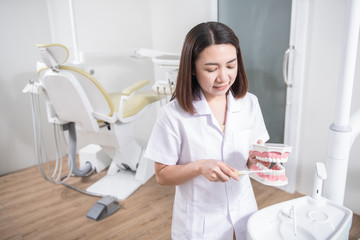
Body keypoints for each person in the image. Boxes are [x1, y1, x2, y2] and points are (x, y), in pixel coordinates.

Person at [144, 22, 269, 240]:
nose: (223, 77)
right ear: (192, 68)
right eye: (211, 69)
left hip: (244, 210)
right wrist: (200, 167)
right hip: (200, 222)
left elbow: (253, 157)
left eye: (230, 66)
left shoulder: (249, 103)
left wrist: (256, 160)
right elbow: (162, 175)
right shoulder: (173, 115)